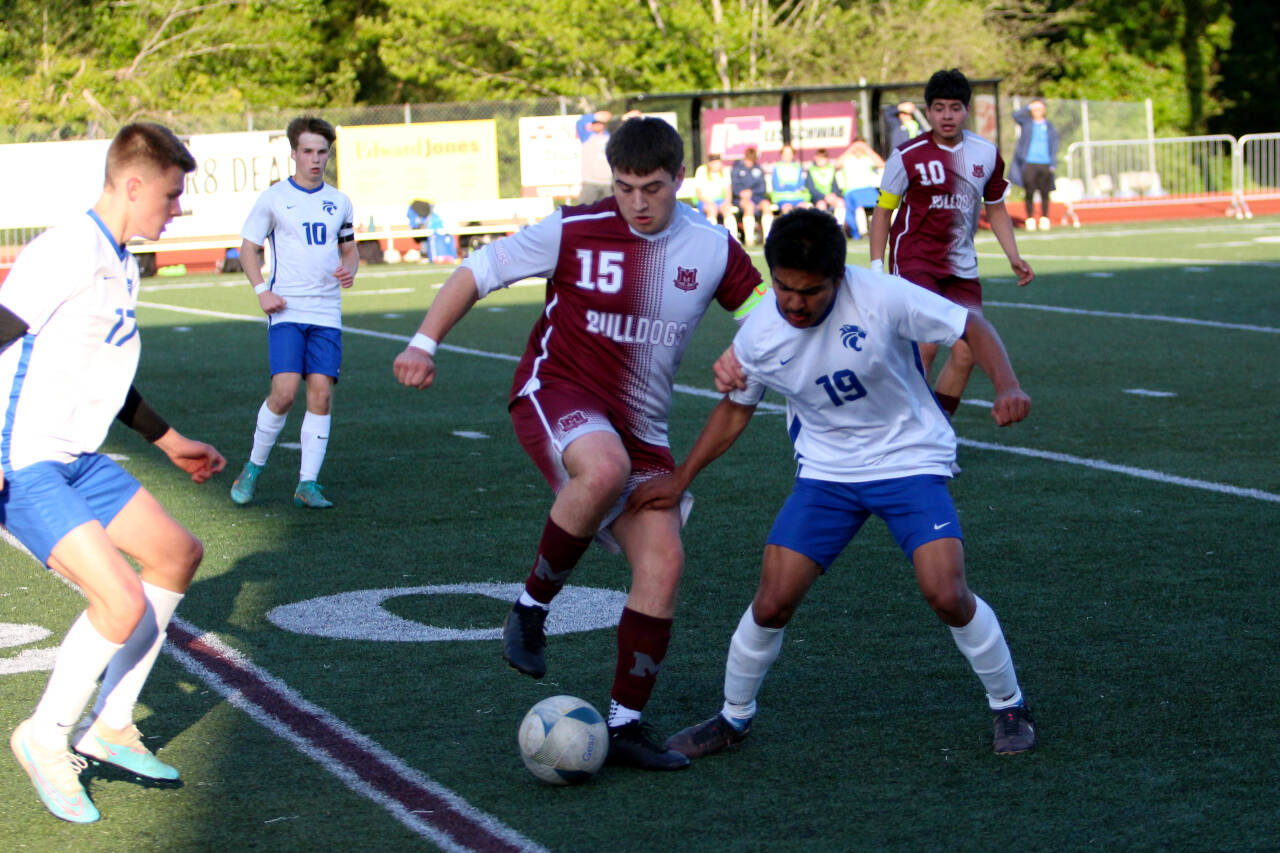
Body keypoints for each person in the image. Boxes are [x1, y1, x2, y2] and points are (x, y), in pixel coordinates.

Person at [392, 117, 766, 771]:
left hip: (643, 425)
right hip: (556, 393)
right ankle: (531, 611)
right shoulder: (574, 228)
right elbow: (477, 271)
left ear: (680, 178)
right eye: (624, 187)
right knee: (602, 467)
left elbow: (766, 311)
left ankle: (624, 724)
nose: (638, 203)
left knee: (664, 563)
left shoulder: (711, 246)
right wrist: (424, 342)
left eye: (652, 187)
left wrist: (749, 347)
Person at [628, 208, 1037, 762]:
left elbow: (972, 326)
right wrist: (681, 478)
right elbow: (735, 411)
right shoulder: (760, 335)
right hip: (828, 474)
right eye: (783, 288)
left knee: (946, 592)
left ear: (839, 279)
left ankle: (1008, 703)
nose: (794, 303)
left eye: (810, 291)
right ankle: (733, 717)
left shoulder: (883, 296)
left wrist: (1008, 384)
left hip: (908, 459)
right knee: (772, 602)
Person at [1, 123, 226, 823]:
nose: (178, 207)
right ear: (133, 184)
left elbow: (99, 376)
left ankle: (112, 723)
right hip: (22, 461)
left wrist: (170, 440)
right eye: (171, 192)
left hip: (76, 457)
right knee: (120, 599)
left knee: (177, 554)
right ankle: (43, 735)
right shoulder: (67, 251)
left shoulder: (120, 259)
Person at [869, 69, 1033, 420]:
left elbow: (997, 208)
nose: (947, 115)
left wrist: (1014, 256)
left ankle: (937, 431)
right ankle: (912, 433)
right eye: (939, 107)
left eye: (955, 107)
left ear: (967, 110)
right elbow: (883, 213)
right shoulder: (906, 155)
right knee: (924, 347)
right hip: (915, 262)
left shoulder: (986, 153)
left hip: (961, 265)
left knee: (966, 352)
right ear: (927, 112)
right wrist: (875, 267)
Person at [230, 116, 358, 509]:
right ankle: (252, 467)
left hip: (326, 311)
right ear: (293, 154)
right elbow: (247, 248)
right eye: (307, 151)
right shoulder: (273, 198)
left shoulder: (339, 201)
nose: (315, 159)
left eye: (322, 152)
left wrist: (348, 270)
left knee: (321, 396)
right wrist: (260, 291)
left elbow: (349, 249)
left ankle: (308, 483)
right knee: (284, 394)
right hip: (286, 308)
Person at [1010, 98, 1059, 231]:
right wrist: (1028, 107)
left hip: (1045, 163)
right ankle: (1030, 218)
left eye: (1040, 108)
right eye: (1035, 109)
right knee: (1029, 191)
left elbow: (1054, 145)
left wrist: (1053, 163)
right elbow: (1015, 115)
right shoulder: (1027, 123)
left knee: (1045, 192)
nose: (1037, 111)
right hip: (1029, 162)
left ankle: (1044, 218)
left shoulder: (1049, 126)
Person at [835, 139, 884, 238]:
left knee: (882, 204)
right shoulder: (847, 159)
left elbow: (881, 164)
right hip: (852, 191)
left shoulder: (867, 158)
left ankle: (881, 229)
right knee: (859, 205)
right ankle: (863, 231)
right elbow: (837, 164)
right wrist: (851, 148)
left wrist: (867, 149)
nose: (859, 149)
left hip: (868, 190)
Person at [730, 146, 774, 246]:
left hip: (757, 197)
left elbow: (762, 187)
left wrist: (752, 192)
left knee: (766, 205)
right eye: (748, 159)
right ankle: (750, 240)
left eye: (752, 160)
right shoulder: (737, 169)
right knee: (749, 206)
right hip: (741, 199)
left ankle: (768, 238)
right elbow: (734, 187)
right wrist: (741, 193)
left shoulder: (758, 169)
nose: (749, 162)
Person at [692, 153, 737, 236]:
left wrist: (727, 202)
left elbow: (728, 190)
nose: (716, 165)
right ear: (709, 163)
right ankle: (711, 237)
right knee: (712, 209)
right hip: (704, 200)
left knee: (727, 210)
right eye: (714, 163)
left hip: (720, 200)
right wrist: (709, 202)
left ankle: (733, 237)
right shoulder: (701, 171)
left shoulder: (724, 171)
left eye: (718, 163)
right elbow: (699, 193)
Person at [576, 116, 613, 205]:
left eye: (600, 123)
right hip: (590, 181)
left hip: (608, 181)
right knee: (585, 210)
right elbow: (579, 124)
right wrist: (594, 116)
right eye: (594, 123)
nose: (597, 126)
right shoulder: (587, 137)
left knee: (609, 211)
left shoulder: (610, 136)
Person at [767, 144, 808, 214]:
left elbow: (800, 186)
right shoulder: (777, 167)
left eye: (789, 153)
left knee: (804, 210)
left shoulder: (798, 167)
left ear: (793, 154)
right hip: (782, 198)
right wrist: (793, 187)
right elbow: (777, 187)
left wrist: (785, 185)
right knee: (788, 210)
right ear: (781, 154)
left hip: (797, 197)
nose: (787, 155)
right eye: (785, 153)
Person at [804, 148, 843, 214]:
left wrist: (833, 194)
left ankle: (838, 224)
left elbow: (835, 185)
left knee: (840, 202)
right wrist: (824, 197)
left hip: (831, 196)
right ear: (815, 158)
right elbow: (811, 189)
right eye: (819, 158)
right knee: (821, 205)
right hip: (818, 197)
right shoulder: (811, 170)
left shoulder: (831, 169)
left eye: (823, 158)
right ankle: (824, 224)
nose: (821, 161)